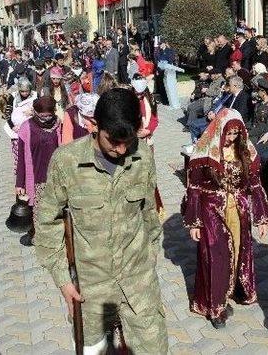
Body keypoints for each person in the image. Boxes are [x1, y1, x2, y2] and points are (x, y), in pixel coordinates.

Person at [35, 88, 168, 353]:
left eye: (127, 141)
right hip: (90, 288)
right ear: (95, 126)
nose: (121, 150)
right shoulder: (67, 161)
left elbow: (149, 214)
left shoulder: (142, 156)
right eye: (113, 141)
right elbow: (47, 222)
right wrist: (63, 280)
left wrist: (150, 255)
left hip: (138, 280)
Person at [182, 108, 268, 328]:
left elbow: (256, 185)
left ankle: (231, 290)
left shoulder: (246, 151)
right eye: (228, 134)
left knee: (238, 252)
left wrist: (261, 217)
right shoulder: (204, 152)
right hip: (211, 210)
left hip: (238, 210)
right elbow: (194, 188)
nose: (231, 139)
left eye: (235, 134)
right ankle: (214, 307)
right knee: (215, 256)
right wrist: (194, 222)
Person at [15, 96, 61, 246]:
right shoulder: (26, 128)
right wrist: (19, 183)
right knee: (37, 212)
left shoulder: (58, 124)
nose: (47, 118)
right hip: (35, 179)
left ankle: (56, 238)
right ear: (35, 112)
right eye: (43, 116)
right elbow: (21, 158)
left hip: (55, 178)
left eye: (50, 115)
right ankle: (40, 238)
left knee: (55, 211)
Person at [156, 39, 184, 110]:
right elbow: (158, 61)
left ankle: (173, 103)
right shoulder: (159, 52)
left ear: (165, 44)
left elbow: (170, 61)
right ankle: (166, 101)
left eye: (161, 44)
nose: (160, 45)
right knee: (163, 87)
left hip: (169, 72)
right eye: (159, 44)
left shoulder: (170, 51)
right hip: (162, 71)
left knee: (171, 88)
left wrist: (165, 64)